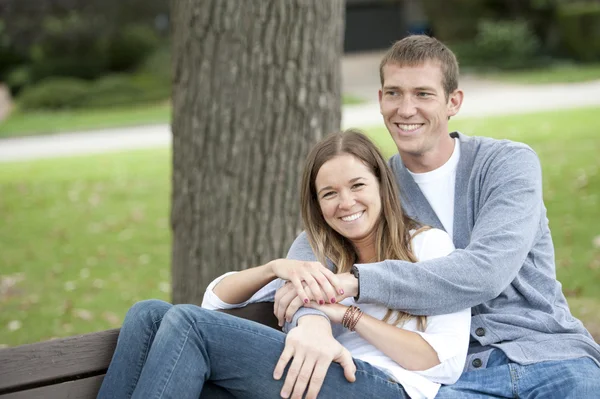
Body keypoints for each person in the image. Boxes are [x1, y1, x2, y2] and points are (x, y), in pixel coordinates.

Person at [275, 35, 600, 398]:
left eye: (423, 94)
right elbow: (312, 249)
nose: (406, 109)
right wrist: (312, 320)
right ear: (381, 100)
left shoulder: (506, 165)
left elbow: (486, 272)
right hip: (450, 378)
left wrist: (357, 282)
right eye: (394, 93)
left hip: (546, 355)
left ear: (453, 102)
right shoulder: (378, 186)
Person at [97, 130, 471, 399]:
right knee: (149, 315)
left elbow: (444, 364)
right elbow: (214, 301)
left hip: (387, 387)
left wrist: (344, 315)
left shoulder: (428, 245)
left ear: (381, 185)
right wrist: (276, 268)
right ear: (318, 205)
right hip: (317, 376)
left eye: (357, 185)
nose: (346, 202)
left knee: (186, 325)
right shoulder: (321, 252)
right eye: (330, 193)